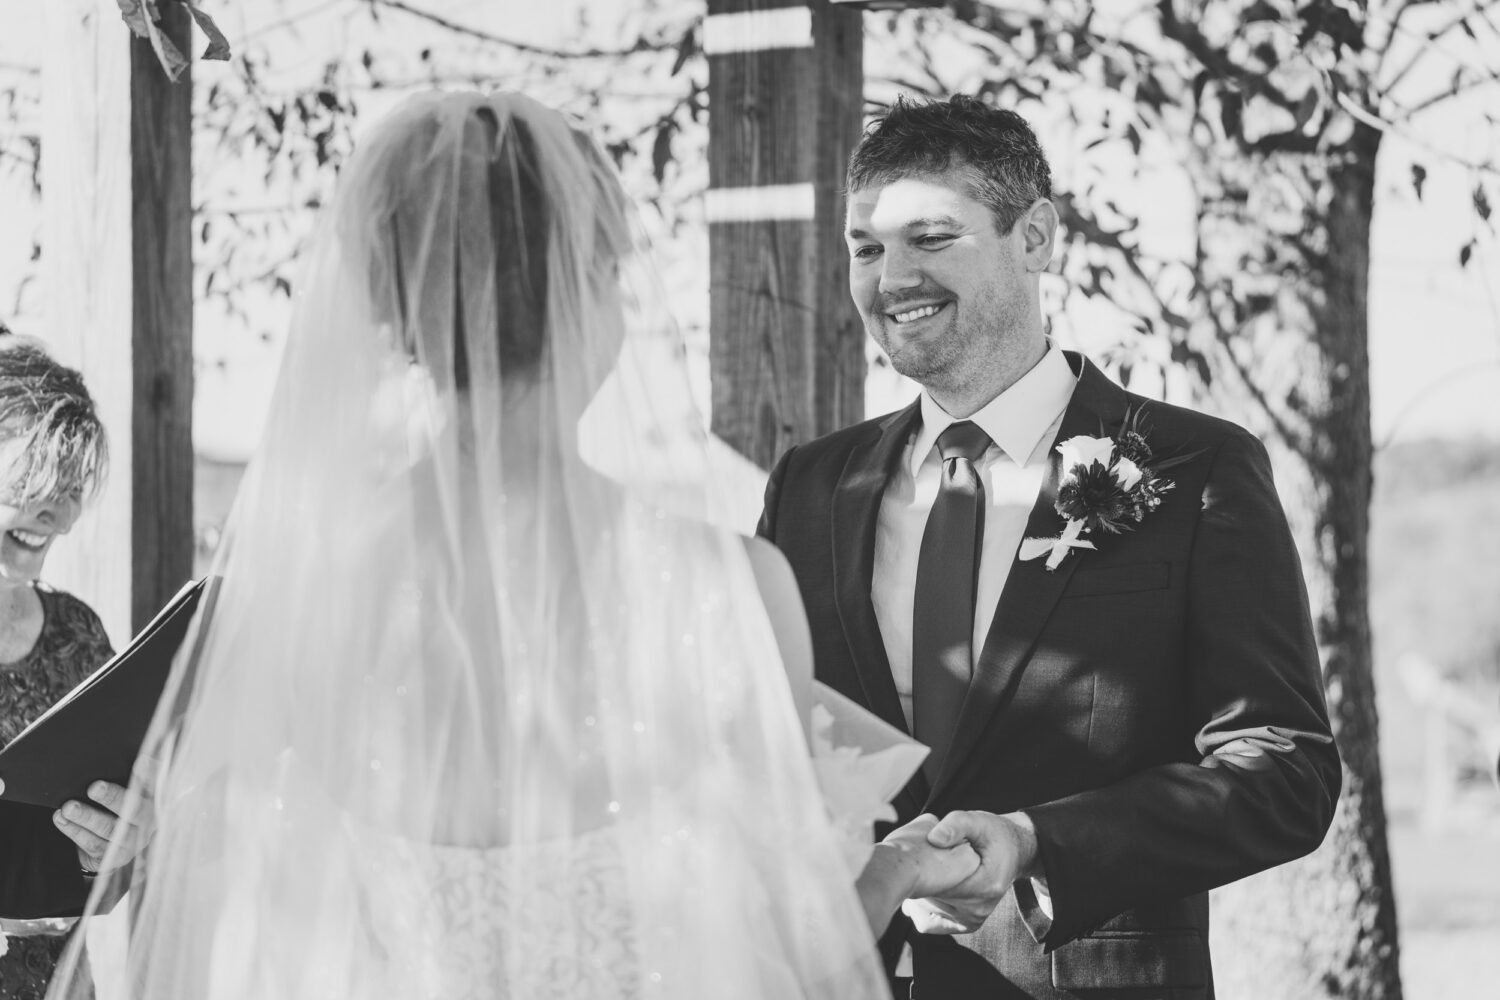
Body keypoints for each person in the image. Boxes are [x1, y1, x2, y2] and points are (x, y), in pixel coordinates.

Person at [48, 93, 975, 1000]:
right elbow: (796, 949)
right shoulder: (723, 586)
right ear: (596, 299)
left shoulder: (298, 598)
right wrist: (891, 871)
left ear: (393, 314)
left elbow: (229, 924)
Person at [756, 94, 1342, 998]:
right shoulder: (811, 487)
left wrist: (1036, 841)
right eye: (866, 248)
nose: (890, 276)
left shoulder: (1201, 467)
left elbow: (1284, 769)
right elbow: (774, 752)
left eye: (932, 237)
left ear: (1036, 238)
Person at [0, 334, 151, 991]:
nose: (56, 508)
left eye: (70, 485)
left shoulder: (79, 635)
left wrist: (119, 849)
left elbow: (102, 880)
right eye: (34, 473)